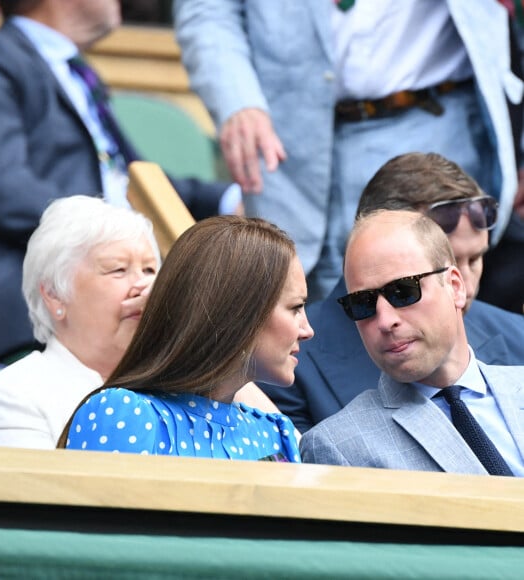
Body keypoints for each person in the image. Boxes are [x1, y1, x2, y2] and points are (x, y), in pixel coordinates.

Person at [0, 0, 239, 362]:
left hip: (107, 293)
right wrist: (111, 235)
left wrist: (231, 199)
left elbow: (133, 179)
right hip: (24, 305)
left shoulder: (80, 76)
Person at [174, 0, 521, 301]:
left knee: (433, 306)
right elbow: (209, 10)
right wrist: (237, 100)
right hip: (286, 145)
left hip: (437, 124)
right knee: (303, 323)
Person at [0, 197, 274, 449]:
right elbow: (36, 512)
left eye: (151, 270)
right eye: (118, 270)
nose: (143, 287)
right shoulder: (14, 395)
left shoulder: (184, 385)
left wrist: (206, 352)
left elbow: (288, 458)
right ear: (54, 295)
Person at [260, 153, 524, 433]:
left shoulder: (517, 337)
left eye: (475, 260)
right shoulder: (283, 364)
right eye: (405, 288)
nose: (467, 287)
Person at [60, 215, 314, 461]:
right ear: (239, 312)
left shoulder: (275, 431)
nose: (307, 330)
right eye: (295, 308)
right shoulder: (125, 413)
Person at [300, 210, 524, 476]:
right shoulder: (339, 447)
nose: (384, 321)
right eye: (363, 303)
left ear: (455, 286)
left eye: (403, 292)